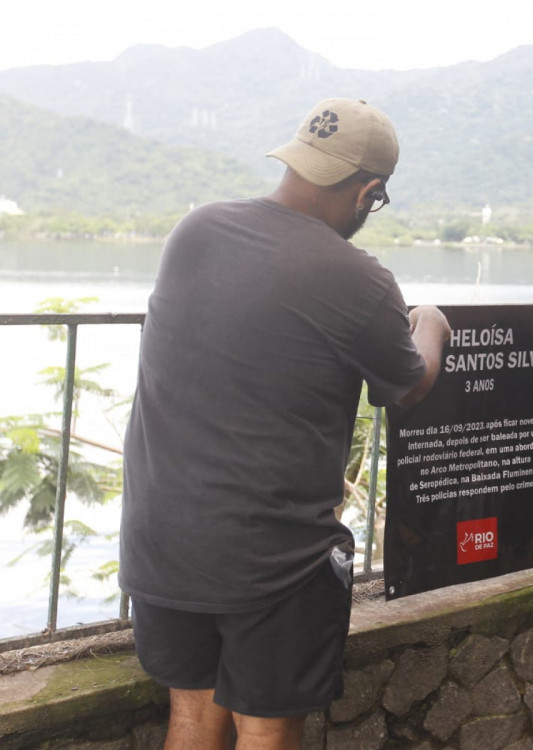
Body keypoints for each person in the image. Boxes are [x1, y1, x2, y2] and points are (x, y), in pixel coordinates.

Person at [119, 98, 450, 750]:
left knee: (191, 713)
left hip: (162, 541)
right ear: (368, 192)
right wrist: (432, 324)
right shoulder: (357, 277)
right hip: (271, 554)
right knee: (266, 728)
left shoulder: (196, 228)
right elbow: (409, 386)